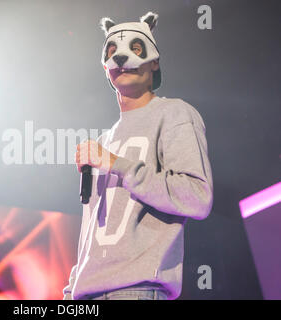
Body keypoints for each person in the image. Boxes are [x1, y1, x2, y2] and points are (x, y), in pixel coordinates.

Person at [63, 11, 214, 300]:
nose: (122, 59)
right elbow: (92, 228)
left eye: (134, 49)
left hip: (137, 289)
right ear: (105, 67)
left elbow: (198, 196)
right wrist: (70, 293)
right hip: (85, 296)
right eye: (113, 52)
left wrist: (116, 164)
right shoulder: (103, 142)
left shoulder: (174, 113)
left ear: (154, 60)